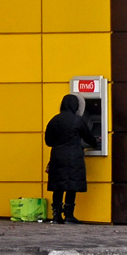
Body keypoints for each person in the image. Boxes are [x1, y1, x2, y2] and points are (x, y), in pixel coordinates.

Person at [44, 93, 99, 224]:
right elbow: (88, 137)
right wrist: (95, 143)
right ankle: (69, 216)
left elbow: (48, 141)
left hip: (57, 156)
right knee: (71, 185)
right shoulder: (77, 120)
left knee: (58, 186)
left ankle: (57, 216)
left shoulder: (54, 120)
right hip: (74, 156)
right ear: (76, 106)